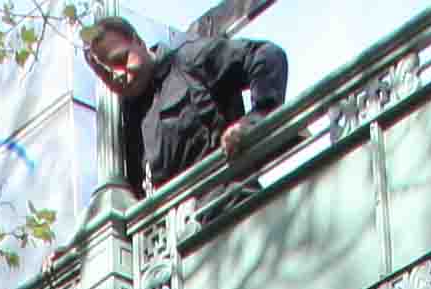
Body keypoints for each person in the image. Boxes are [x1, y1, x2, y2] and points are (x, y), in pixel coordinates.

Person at [83, 4, 283, 192]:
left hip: (230, 203)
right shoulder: (126, 126)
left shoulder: (188, 61)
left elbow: (266, 56)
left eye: (121, 59)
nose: (117, 75)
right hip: (180, 216)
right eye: (106, 75)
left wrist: (256, 119)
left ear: (139, 42)